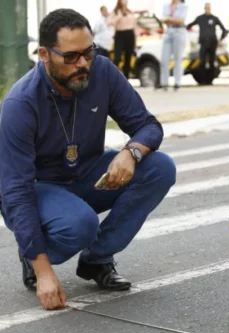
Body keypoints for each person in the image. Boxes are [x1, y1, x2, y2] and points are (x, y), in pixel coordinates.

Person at [0, 8, 176, 311]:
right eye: (70, 57)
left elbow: (148, 125)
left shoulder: (102, 72)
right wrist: (43, 272)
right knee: (80, 224)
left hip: (87, 175)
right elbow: (14, 189)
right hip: (42, 188)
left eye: (88, 52)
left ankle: (96, 260)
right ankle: (33, 251)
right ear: (44, 54)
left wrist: (130, 152)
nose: (83, 63)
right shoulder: (20, 104)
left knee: (160, 168)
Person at [186, 2, 229, 85]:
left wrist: (220, 40)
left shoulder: (215, 18)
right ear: (204, 8)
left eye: (209, 8)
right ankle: (202, 81)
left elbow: (224, 30)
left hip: (213, 43)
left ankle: (210, 81)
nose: (207, 9)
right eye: (206, 8)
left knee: (212, 62)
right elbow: (189, 26)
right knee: (202, 62)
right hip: (203, 43)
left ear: (210, 8)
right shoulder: (199, 18)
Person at [159, 0, 188, 91]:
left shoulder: (183, 6)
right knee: (164, 59)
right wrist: (173, 20)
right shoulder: (166, 5)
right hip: (168, 32)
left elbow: (181, 20)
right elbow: (163, 19)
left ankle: (177, 82)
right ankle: (164, 83)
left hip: (179, 32)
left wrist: (168, 19)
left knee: (178, 58)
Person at [108, 0, 137, 78]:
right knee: (117, 57)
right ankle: (112, 77)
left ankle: (126, 79)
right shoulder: (115, 12)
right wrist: (119, 16)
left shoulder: (130, 12)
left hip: (130, 35)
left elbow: (135, 27)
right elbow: (110, 23)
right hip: (120, 34)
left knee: (128, 58)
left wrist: (135, 41)